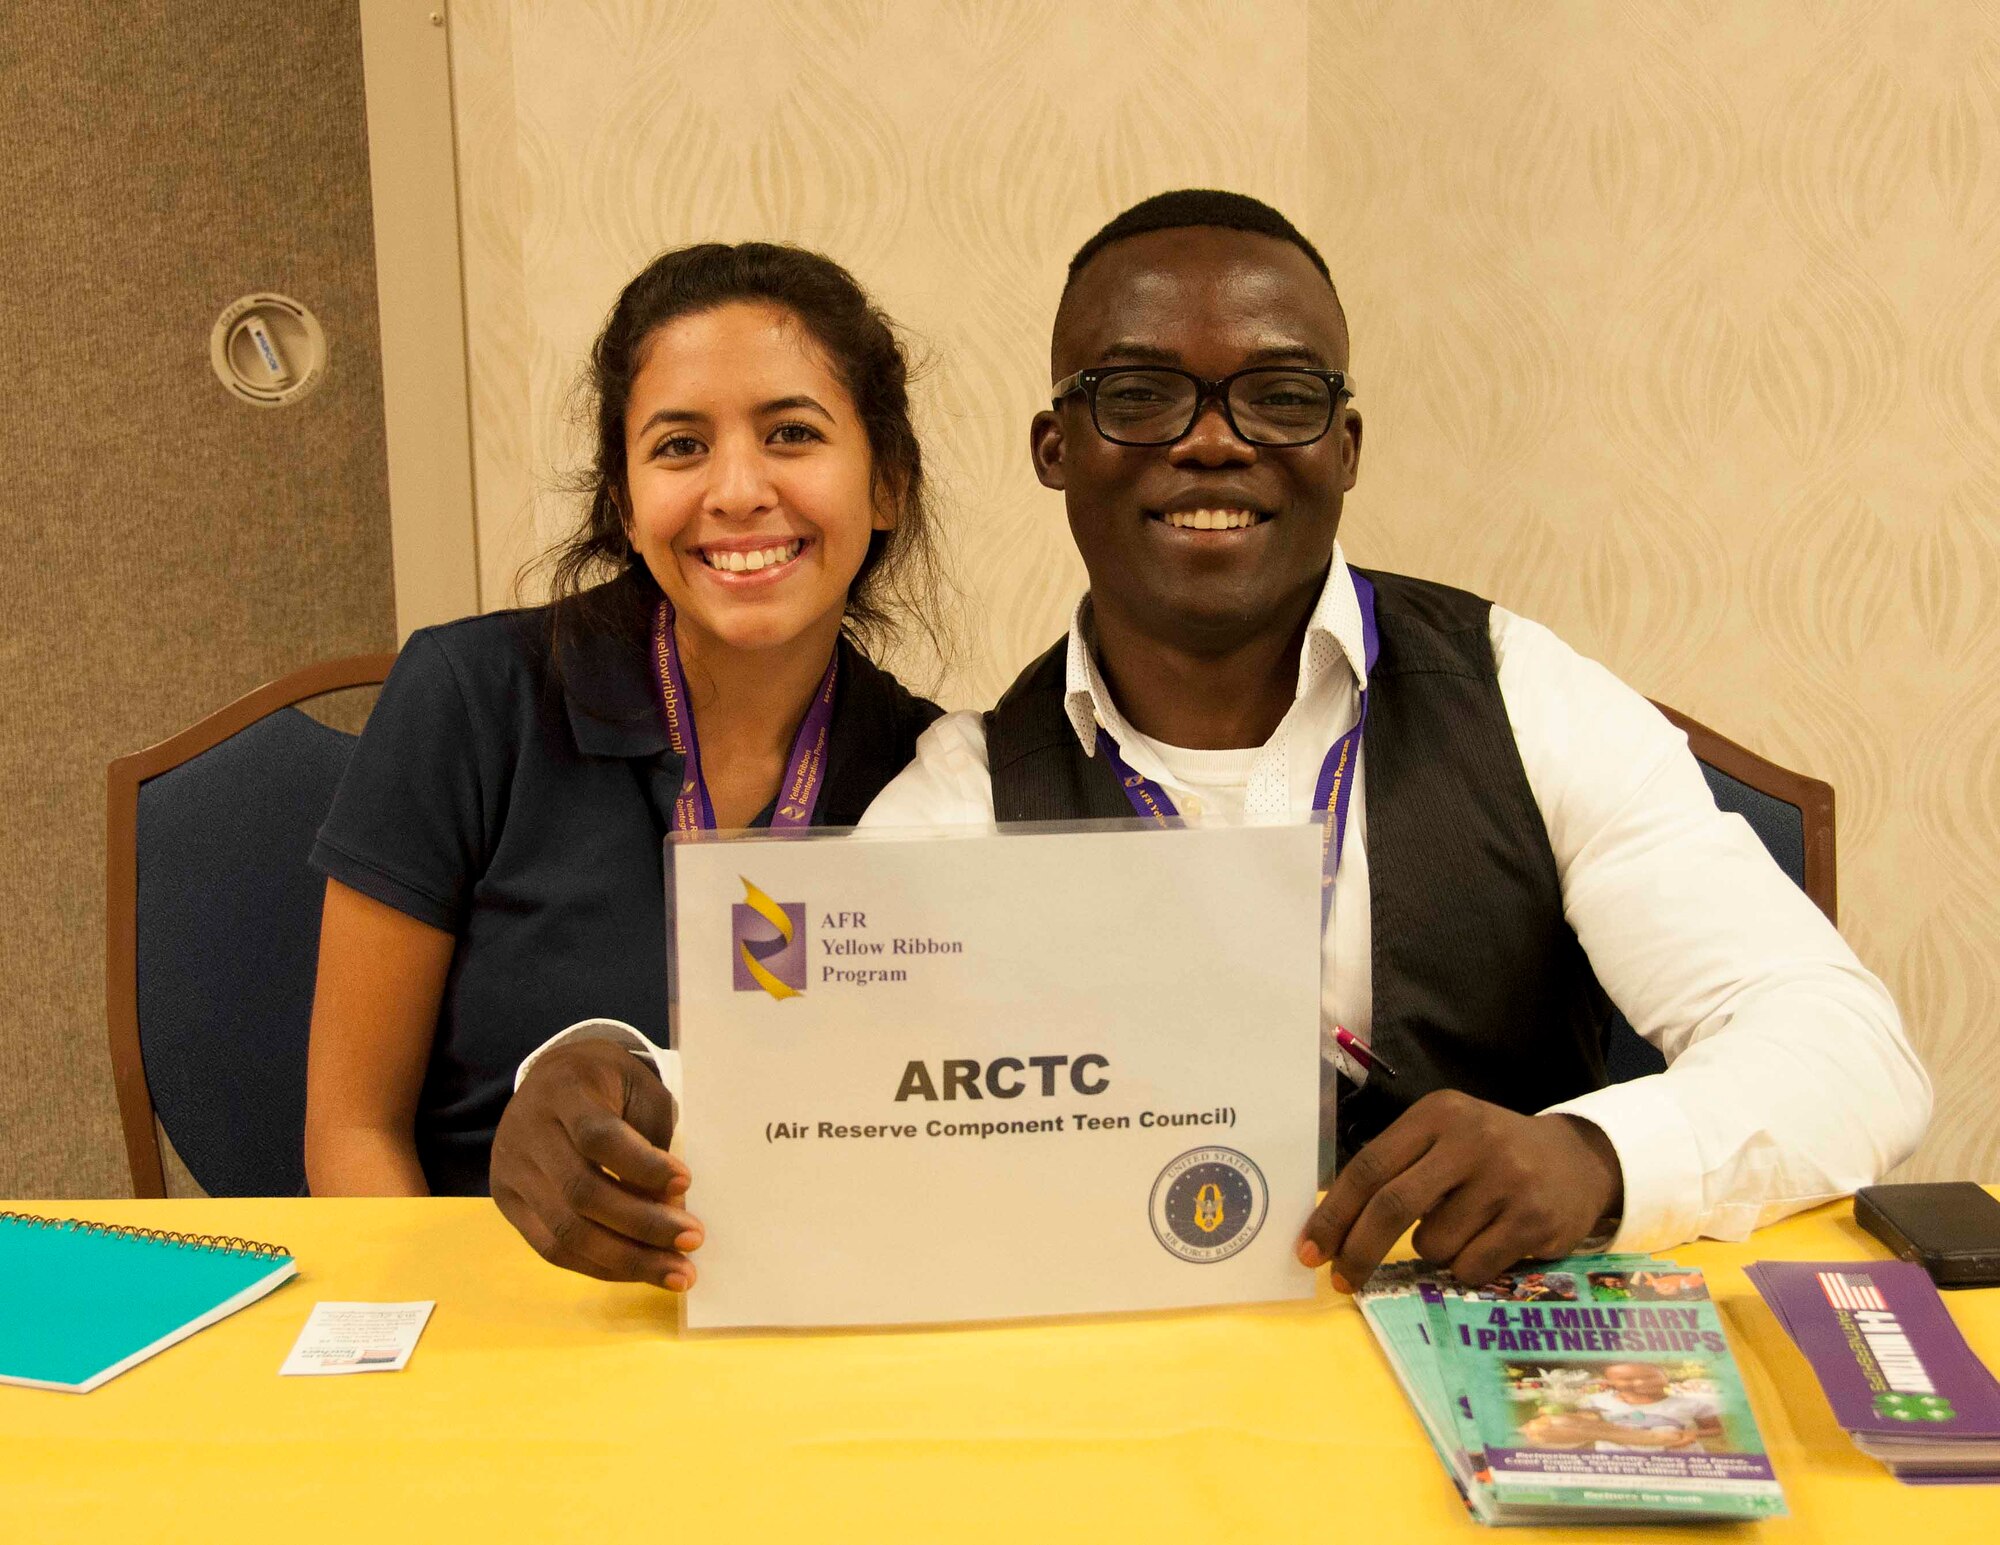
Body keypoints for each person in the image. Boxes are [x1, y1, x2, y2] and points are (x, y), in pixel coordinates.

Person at [491, 190, 1929, 1294]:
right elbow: (782, 1075)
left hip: (1496, 1384)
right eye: (1138, 395)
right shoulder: (972, 785)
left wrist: (1598, 1156)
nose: (1212, 441)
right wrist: (606, 1076)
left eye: (1280, 394)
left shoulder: (1524, 691)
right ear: (1057, 448)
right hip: (1151, 1406)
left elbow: (1850, 1052)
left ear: (1347, 446)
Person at [303, 242, 945, 1232]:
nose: (736, 491)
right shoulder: (470, 701)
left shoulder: (936, 777)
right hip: (499, 1311)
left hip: (794, 1316)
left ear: (886, 482)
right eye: (679, 446)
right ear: (624, 500)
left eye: (790, 434)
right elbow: (352, 1133)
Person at [1572, 1363, 1725, 1451]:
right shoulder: (1594, 1402)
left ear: (1665, 1376)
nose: (1640, 1383)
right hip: (1618, 1466)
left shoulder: (1693, 1404)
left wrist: (1694, 1434)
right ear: (1608, 1382)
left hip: (1678, 1465)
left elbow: (1715, 1429)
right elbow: (1583, 1427)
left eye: (1649, 1377)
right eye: (1626, 1379)